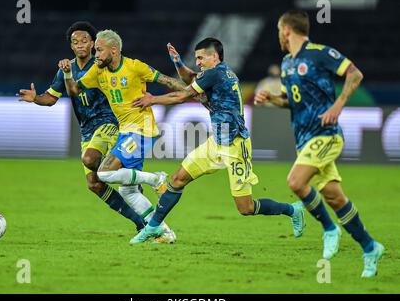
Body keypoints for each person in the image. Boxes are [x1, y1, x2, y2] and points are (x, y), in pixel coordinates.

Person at [129, 38, 305, 245]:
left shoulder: (216, 73)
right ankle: (153, 227)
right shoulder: (217, 73)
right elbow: (191, 78)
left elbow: (183, 96)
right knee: (177, 179)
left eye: (201, 57)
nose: (198, 62)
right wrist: (178, 63)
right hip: (216, 143)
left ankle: (293, 210)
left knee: (246, 208)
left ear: (215, 56)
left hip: (235, 145)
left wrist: (153, 99)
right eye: (196, 58)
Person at [255, 10, 384, 278]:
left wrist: (337, 106)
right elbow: (292, 100)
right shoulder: (288, 63)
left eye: (279, 29)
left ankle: (329, 228)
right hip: (303, 139)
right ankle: (371, 247)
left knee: (296, 182)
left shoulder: (320, 53)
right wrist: (272, 99)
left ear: (287, 30)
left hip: (325, 135)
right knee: (335, 197)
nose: (278, 35)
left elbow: (355, 74)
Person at [17, 22, 174, 241]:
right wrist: (36, 99)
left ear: (92, 44)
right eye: (75, 42)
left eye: (85, 41)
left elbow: (130, 77)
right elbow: (53, 98)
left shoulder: (101, 65)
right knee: (95, 184)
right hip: (86, 129)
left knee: (91, 159)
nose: (80, 45)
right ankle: (142, 222)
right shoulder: (67, 69)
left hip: (108, 123)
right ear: (71, 46)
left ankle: (140, 180)